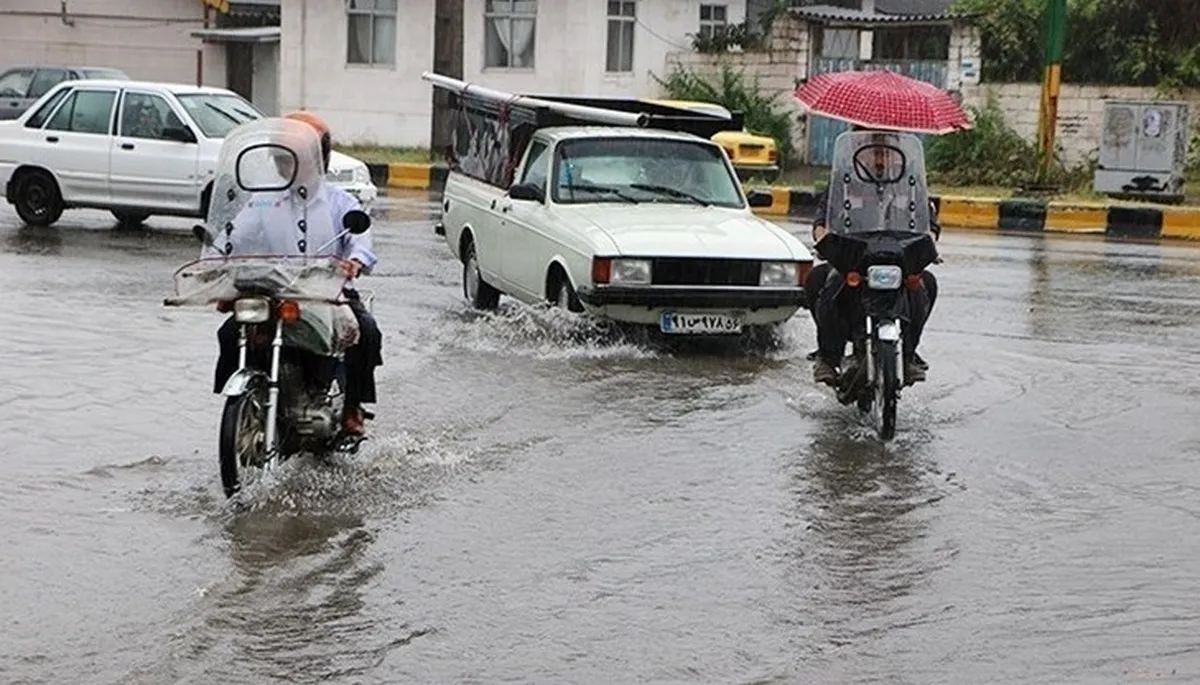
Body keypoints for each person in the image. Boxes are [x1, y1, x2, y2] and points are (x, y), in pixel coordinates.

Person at [211, 115, 382, 436]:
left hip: (328, 294)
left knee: (367, 332)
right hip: (275, 291)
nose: (284, 167)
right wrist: (216, 259)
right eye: (279, 159)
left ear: (317, 160)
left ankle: (352, 408)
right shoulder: (263, 202)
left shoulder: (341, 202)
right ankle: (242, 403)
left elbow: (360, 242)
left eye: (291, 160)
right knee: (229, 333)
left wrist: (355, 261)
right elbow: (235, 236)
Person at [805, 128, 940, 388]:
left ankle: (909, 355)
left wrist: (930, 243)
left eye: (885, 149)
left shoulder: (911, 180)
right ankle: (828, 356)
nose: (879, 158)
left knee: (925, 285)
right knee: (825, 281)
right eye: (873, 150)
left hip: (898, 255)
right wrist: (823, 240)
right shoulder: (843, 180)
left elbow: (929, 224)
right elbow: (822, 220)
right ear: (859, 149)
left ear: (897, 148)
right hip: (855, 254)